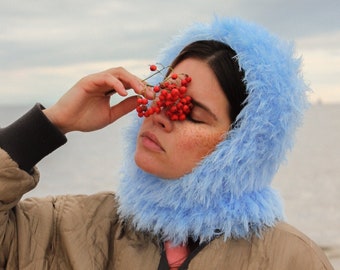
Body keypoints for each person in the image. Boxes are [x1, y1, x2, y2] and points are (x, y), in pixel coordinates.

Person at [0, 17, 333, 270]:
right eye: (164, 96)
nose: (160, 116)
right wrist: (52, 123)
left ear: (243, 148)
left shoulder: (290, 258)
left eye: (192, 115)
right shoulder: (74, 228)